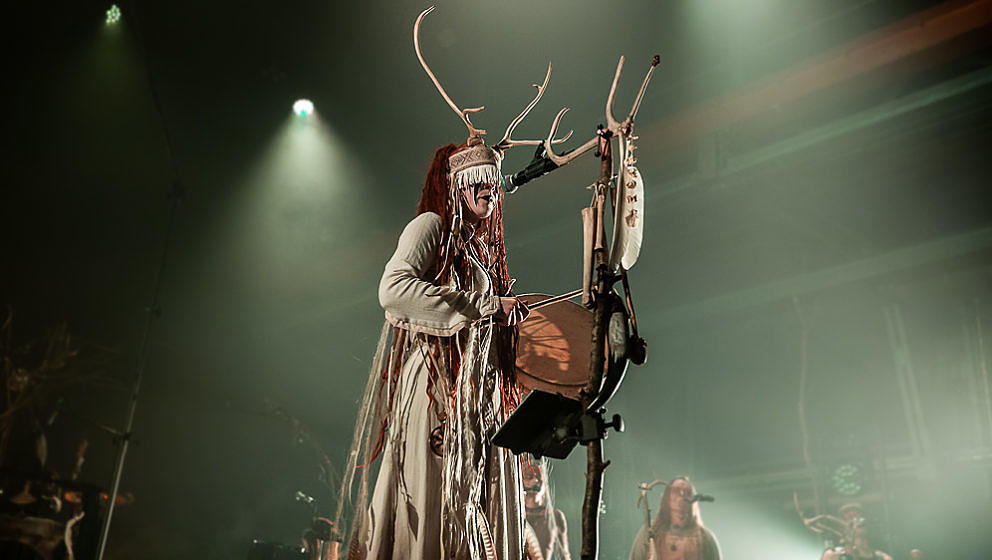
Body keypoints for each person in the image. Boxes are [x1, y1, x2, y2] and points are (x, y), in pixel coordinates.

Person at [333, 8, 562, 559]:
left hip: (478, 393)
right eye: (480, 186)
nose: (490, 196)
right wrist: (483, 304)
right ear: (459, 186)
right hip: (437, 388)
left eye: (494, 189)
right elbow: (394, 290)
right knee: (433, 495)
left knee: (484, 500)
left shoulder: (485, 251)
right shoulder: (431, 226)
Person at [630, 477, 721, 560]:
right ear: (667, 500)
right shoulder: (650, 532)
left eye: (687, 493)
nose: (681, 499)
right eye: (676, 492)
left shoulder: (705, 538)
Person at [522, 458, 571, 560]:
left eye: (538, 478)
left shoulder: (555, 517)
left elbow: (564, 556)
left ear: (545, 485)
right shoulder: (512, 516)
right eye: (528, 477)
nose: (533, 481)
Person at [820, 503, 893, 560]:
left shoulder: (882, 558)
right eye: (848, 517)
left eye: (857, 515)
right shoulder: (833, 556)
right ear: (842, 527)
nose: (854, 520)